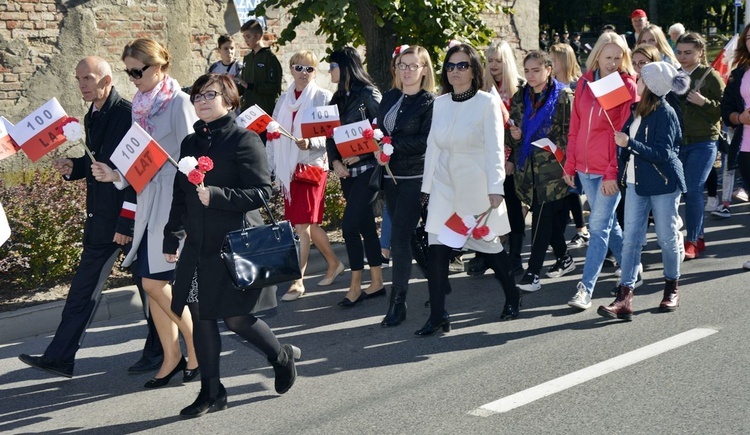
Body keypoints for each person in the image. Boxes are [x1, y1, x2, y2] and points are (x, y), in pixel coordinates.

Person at [163, 73, 299, 418]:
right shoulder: (190, 145)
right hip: (197, 246)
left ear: (229, 100)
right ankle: (212, 391)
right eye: (197, 96)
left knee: (237, 319)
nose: (203, 101)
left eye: (211, 94)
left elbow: (261, 193)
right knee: (202, 317)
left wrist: (218, 196)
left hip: (233, 245)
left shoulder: (244, 140)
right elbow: (181, 193)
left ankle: (280, 357)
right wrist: (171, 232)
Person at [18, 57, 162, 378]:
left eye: (88, 78)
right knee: (82, 291)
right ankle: (60, 357)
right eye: (78, 78)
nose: (82, 84)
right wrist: (75, 167)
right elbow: (98, 160)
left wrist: (127, 222)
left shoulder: (127, 115)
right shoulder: (91, 115)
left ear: (106, 80)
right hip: (100, 221)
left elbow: (137, 171)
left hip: (129, 221)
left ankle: (162, 351)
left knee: (149, 288)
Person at [91, 38, 199, 388]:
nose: (132, 78)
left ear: (159, 67)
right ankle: (170, 357)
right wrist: (116, 175)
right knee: (153, 285)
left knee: (154, 282)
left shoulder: (179, 102)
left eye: (137, 71)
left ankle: (196, 347)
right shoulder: (140, 104)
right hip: (146, 200)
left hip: (172, 204)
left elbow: (192, 159)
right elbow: (140, 159)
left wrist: (184, 214)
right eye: (128, 72)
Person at [418, 43, 521, 336]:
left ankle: (513, 296)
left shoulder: (486, 103)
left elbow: (494, 150)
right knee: (436, 248)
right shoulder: (439, 103)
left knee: (489, 247)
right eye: (450, 66)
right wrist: (426, 189)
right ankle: (438, 314)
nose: (455, 71)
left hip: (476, 185)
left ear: (475, 70)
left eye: (462, 65)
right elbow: (433, 148)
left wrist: (495, 187)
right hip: (443, 184)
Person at [599, 62, 688, 320]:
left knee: (667, 238)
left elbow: (664, 153)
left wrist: (630, 143)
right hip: (636, 185)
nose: (635, 81)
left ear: (650, 85)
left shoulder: (666, 113)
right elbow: (627, 147)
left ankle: (671, 287)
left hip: (662, 184)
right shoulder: (636, 110)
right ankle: (624, 297)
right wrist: (623, 151)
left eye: (640, 78)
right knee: (631, 240)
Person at [564, 32, 637, 310]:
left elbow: (622, 134)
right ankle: (634, 267)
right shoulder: (584, 83)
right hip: (584, 168)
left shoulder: (626, 85)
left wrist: (611, 173)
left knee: (597, 227)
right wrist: (570, 164)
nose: (613, 63)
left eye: (618, 58)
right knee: (607, 225)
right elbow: (575, 128)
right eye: (608, 57)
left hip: (610, 170)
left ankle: (585, 289)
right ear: (597, 56)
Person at [267, 50, 344, 301]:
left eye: (309, 69)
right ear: (290, 69)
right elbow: (273, 133)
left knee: (301, 225)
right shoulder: (283, 100)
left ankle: (297, 281)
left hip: (312, 168)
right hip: (288, 169)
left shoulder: (323, 97)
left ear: (315, 72)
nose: (303, 73)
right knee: (307, 224)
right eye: (298, 68)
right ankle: (333, 263)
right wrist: (270, 166)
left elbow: (332, 136)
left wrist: (310, 143)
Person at [376, 45, 435, 327]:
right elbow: (379, 130)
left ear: (424, 70)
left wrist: (391, 146)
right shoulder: (389, 96)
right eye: (402, 65)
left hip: (416, 178)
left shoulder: (429, 102)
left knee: (398, 237)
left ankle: (397, 302)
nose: (407, 70)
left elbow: (426, 141)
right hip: (389, 177)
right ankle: (438, 281)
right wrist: (375, 144)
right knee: (409, 235)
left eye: (413, 65)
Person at [509, 50, 576, 292]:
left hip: (554, 168)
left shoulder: (563, 97)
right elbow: (513, 130)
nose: (531, 75)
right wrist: (514, 135)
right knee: (545, 218)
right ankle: (565, 258)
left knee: (541, 216)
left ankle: (533, 272)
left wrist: (561, 152)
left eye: (536, 70)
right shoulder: (521, 96)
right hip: (528, 168)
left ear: (549, 69)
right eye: (527, 71)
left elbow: (572, 133)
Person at [325, 47, 385, 306]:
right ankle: (378, 282)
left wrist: (361, 156)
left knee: (348, 227)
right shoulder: (336, 99)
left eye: (333, 66)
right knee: (365, 227)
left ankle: (355, 286)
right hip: (346, 174)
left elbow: (383, 131)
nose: (329, 71)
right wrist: (335, 161)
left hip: (368, 171)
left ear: (346, 66)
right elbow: (330, 136)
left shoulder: (369, 94)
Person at [471, 40, 526, 277]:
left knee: (513, 208)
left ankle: (515, 257)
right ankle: (483, 256)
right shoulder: (481, 88)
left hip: (511, 158)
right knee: (483, 208)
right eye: (490, 60)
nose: (493, 65)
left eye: (498, 60)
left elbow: (521, 127)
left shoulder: (519, 89)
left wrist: (511, 158)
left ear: (507, 62)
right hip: (484, 159)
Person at [675, 32, 725, 259]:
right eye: (679, 52)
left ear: (700, 53)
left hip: (705, 141)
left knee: (693, 188)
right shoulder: (674, 76)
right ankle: (699, 236)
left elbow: (725, 109)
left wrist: (705, 103)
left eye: (688, 52)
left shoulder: (711, 76)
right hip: (679, 143)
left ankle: (692, 241)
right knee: (684, 190)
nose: (682, 57)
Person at [549, 43, 590, 248]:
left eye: (553, 59)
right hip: (555, 144)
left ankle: (582, 230)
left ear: (564, 60)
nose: (550, 63)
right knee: (562, 188)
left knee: (573, 187)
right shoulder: (549, 85)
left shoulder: (577, 85)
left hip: (573, 142)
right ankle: (559, 231)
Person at [720, 22, 750, 269]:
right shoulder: (738, 73)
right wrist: (740, 118)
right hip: (746, 147)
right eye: (749, 37)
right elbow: (726, 109)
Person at [238, 19, 282, 118]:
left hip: (264, 112)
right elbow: (244, 85)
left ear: (258, 36)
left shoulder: (270, 58)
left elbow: (274, 87)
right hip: (247, 111)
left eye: (248, 37)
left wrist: (250, 86)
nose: (246, 40)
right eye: (244, 37)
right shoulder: (247, 58)